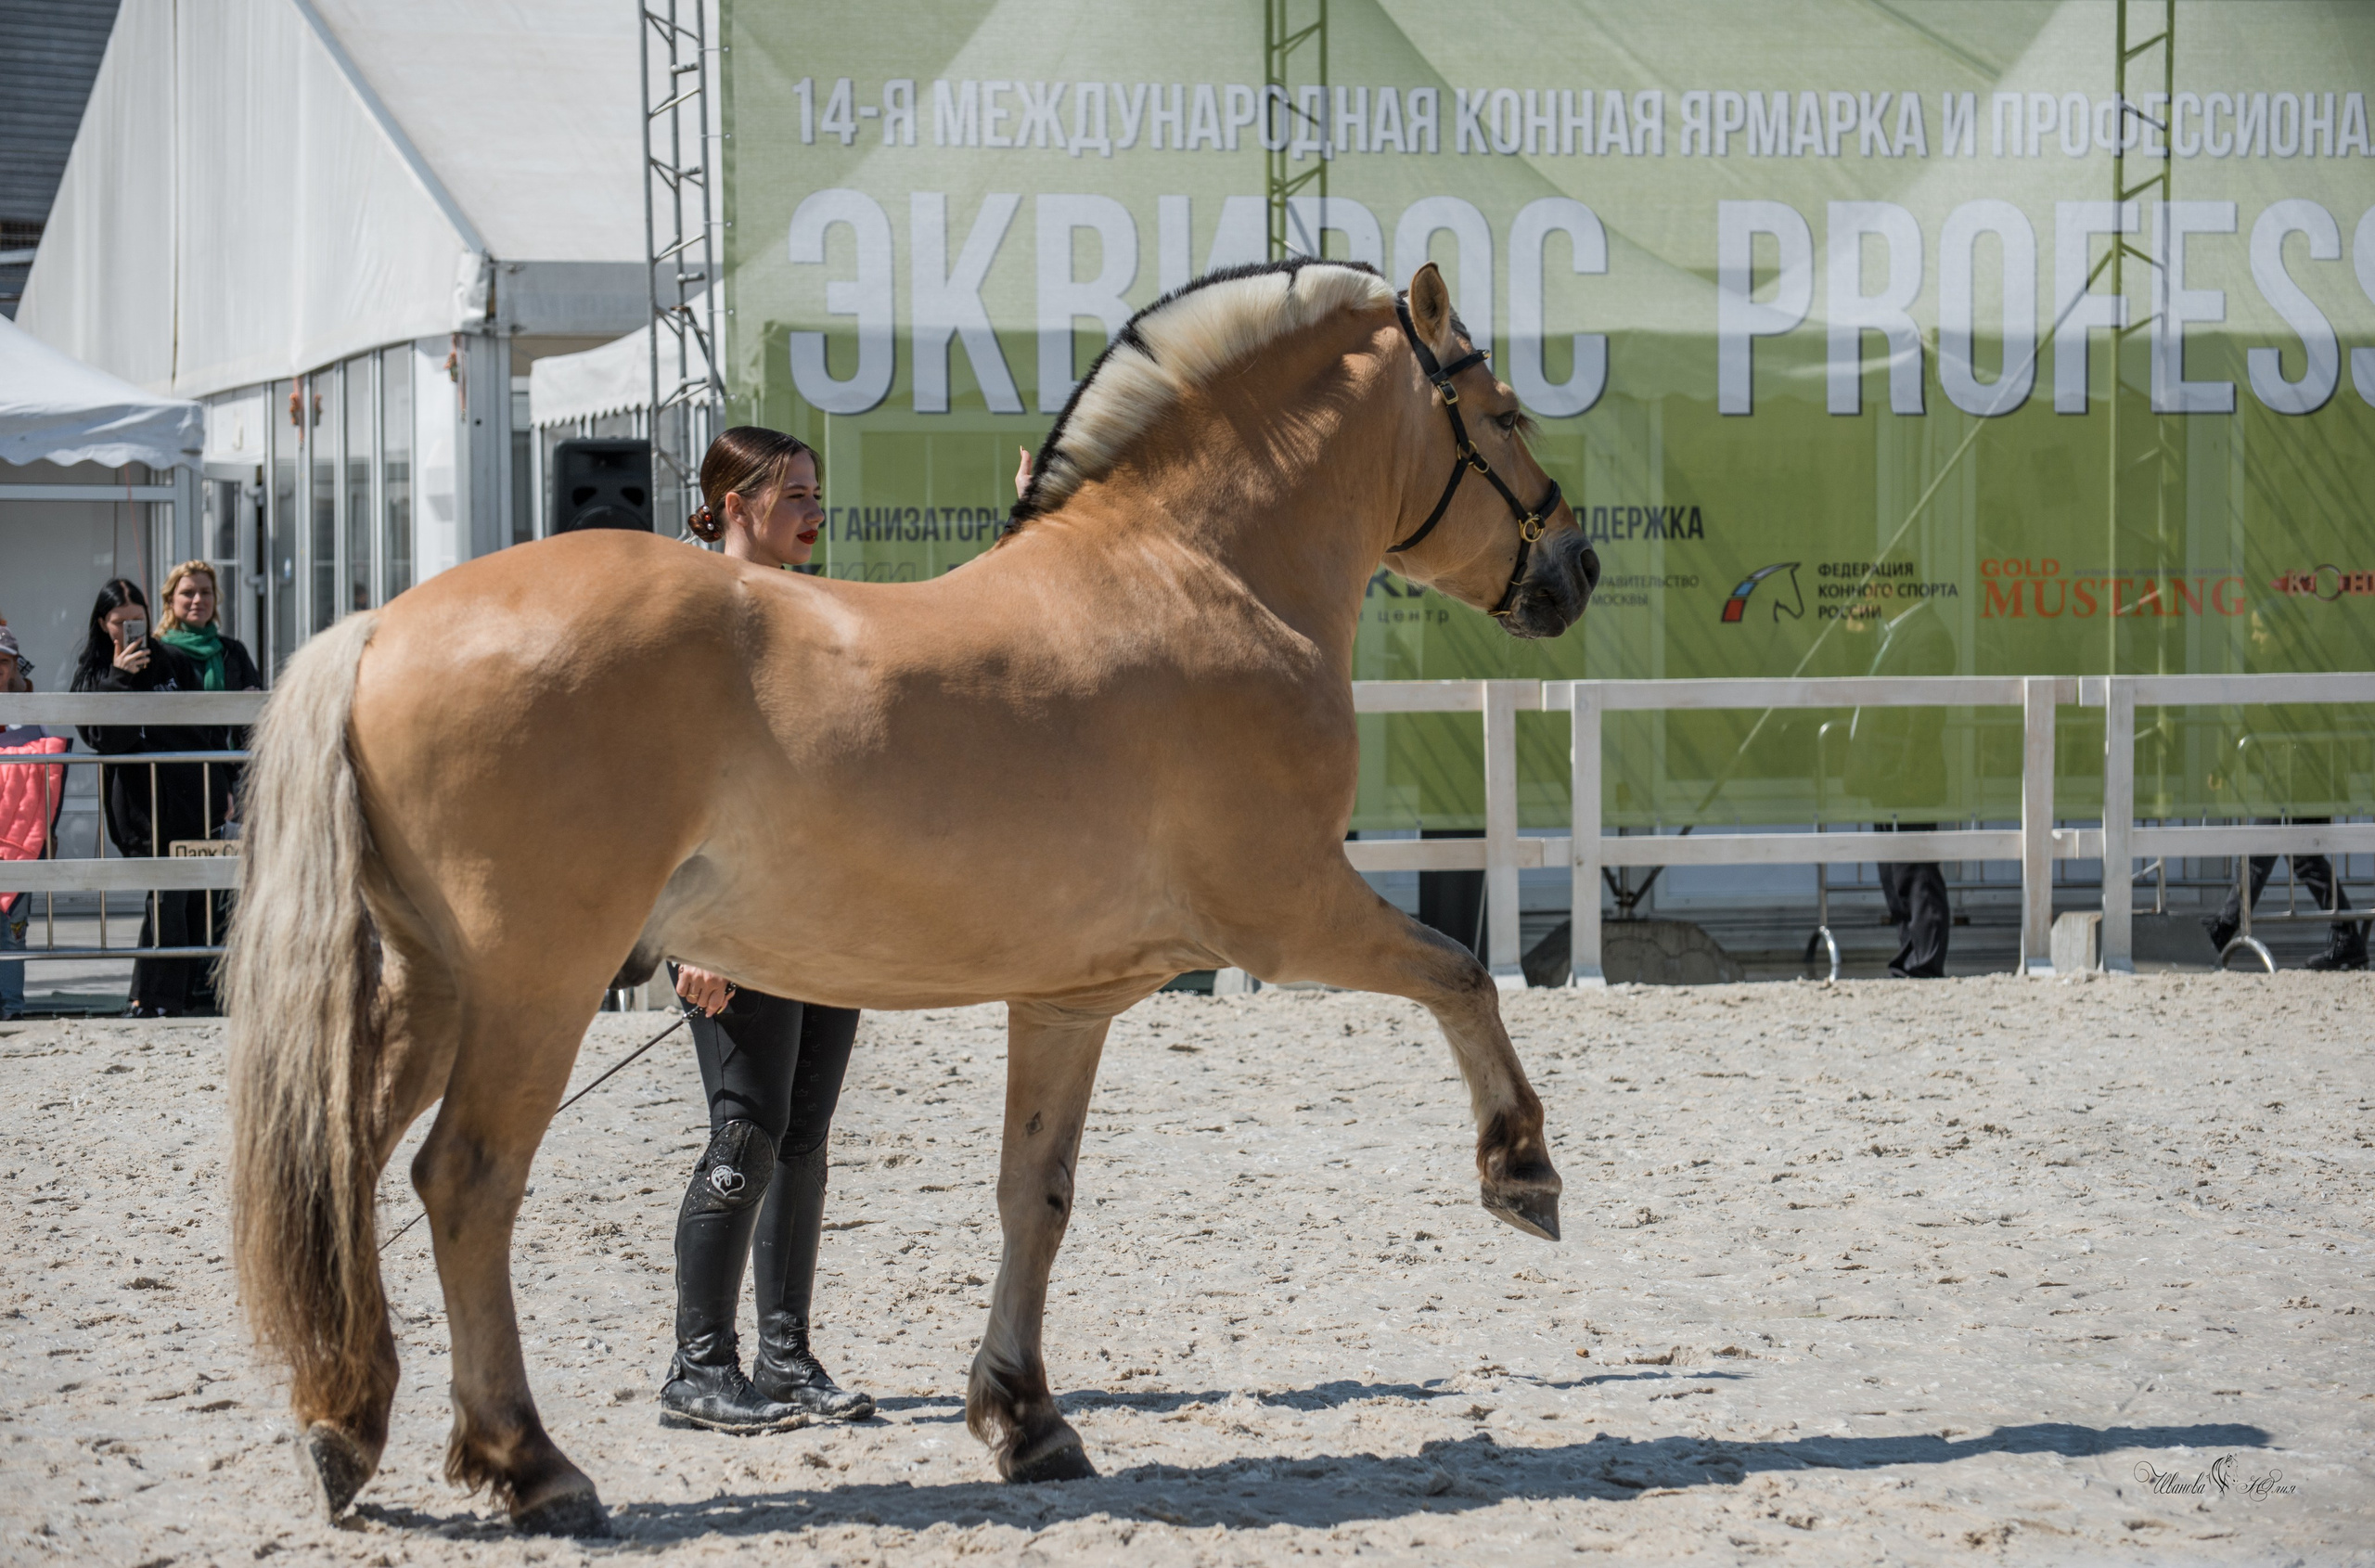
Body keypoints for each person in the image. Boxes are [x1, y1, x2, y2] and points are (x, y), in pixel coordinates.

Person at [658, 427, 874, 1433]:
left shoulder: (816, 604)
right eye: (792, 493)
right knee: (744, 1126)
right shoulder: (694, 609)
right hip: (733, 915)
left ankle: (785, 1358)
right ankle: (698, 1367)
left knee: (803, 1137)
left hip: (821, 913)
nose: (811, 508)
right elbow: (668, 786)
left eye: (815, 490)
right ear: (734, 503)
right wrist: (687, 930)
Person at [69, 568, 260, 1015]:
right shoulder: (97, 671)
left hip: (192, 801)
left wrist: (223, 783)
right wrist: (119, 677)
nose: (131, 630)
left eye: (138, 619)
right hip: (141, 808)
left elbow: (203, 731)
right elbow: (102, 737)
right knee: (167, 900)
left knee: (187, 899)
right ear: (103, 624)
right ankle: (157, 999)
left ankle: (168, 996)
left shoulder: (168, 660)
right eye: (121, 621)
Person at [1846, 598, 1956, 979]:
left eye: (1873, 586)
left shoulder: (1927, 634)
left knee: (1916, 868)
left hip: (1907, 776)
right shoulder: (1898, 634)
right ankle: (1910, 955)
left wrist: (1906, 773)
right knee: (1895, 871)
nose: (1864, 596)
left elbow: (1925, 714)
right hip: (1887, 775)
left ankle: (1925, 960)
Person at [1, 625, 68, 1019]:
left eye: (4, 661)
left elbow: (49, 782)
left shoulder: (32, 718)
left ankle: (11, 1005)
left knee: (13, 932)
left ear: (15, 666)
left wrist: (50, 833)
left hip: (21, 841)